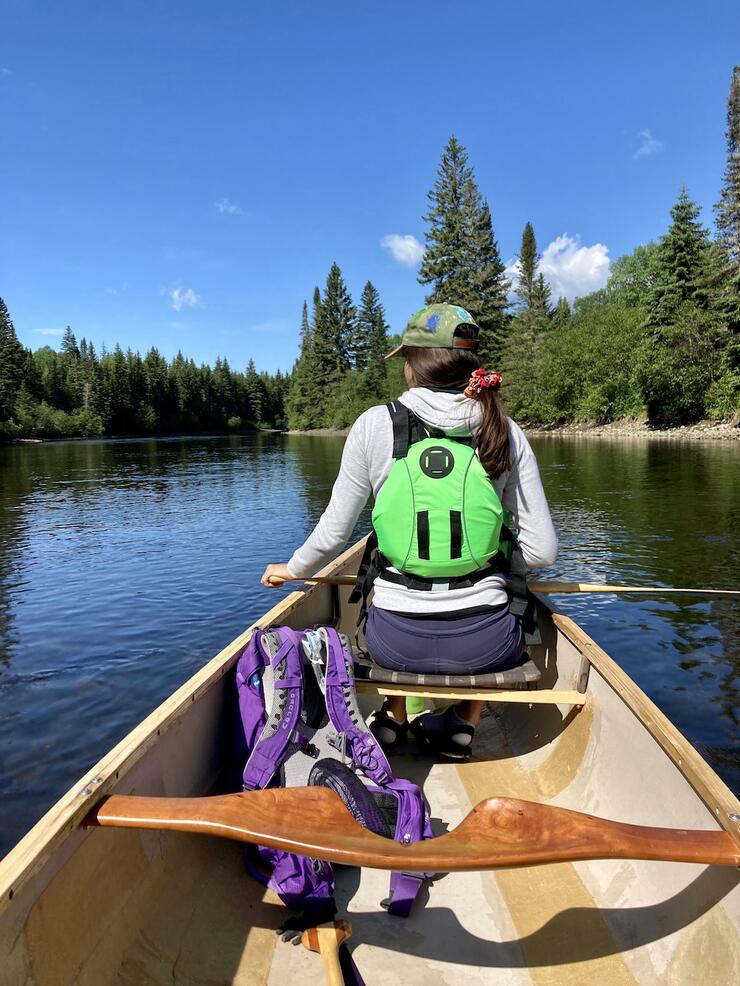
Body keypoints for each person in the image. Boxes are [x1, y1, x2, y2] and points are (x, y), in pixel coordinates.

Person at [262, 303, 557, 757]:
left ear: (414, 364)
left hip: (393, 643)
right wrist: (493, 563)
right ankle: (463, 721)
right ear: (470, 367)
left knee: (380, 584)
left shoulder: (374, 425)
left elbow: (333, 534)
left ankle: (394, 716)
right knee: (508, 596)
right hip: (489, 644)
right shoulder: (504, 429)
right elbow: (540, 553)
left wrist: (294, 568)